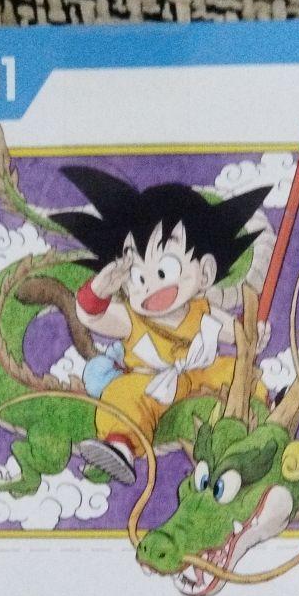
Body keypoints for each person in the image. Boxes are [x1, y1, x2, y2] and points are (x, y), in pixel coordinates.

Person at [53, 167, 271, 483]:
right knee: (123, 393)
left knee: (236, 370)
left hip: (199, 376)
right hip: (149, 383)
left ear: (205, 273)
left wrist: (253, 337)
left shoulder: (203, 310)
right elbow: (91, 316)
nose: (150, 286)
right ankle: (120, 446)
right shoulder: (131, 318)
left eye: (163, 271)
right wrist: (99, 289)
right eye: (137, 277)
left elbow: (237, 334)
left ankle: (266, 410)